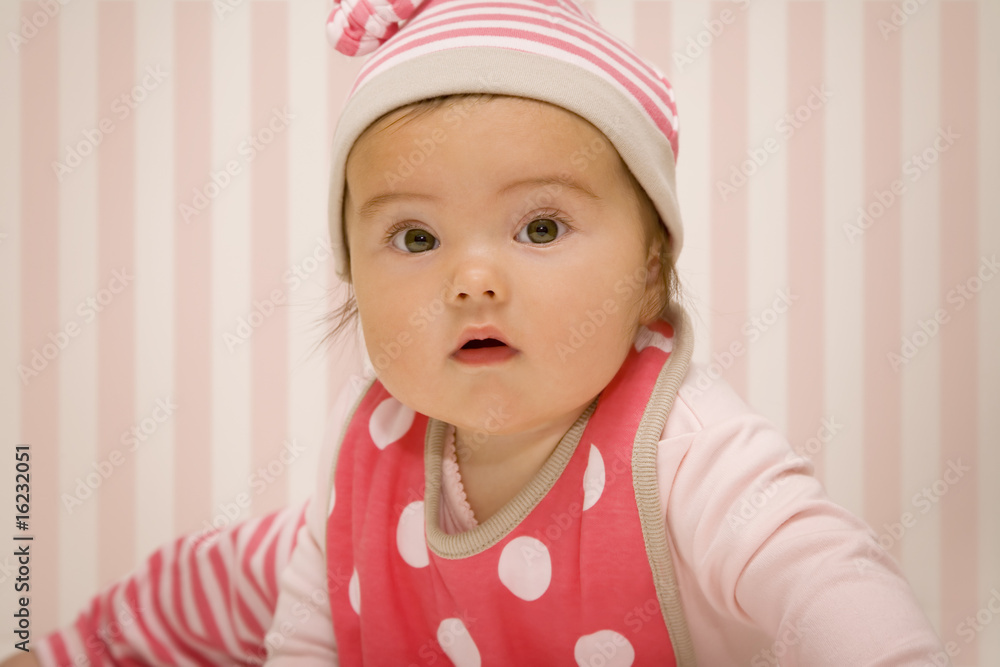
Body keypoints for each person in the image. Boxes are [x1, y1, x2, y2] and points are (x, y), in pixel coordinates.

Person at [13, 0, 946, 664]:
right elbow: (311, 637)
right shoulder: (367, 441)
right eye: (414, 237)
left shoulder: (688, 451)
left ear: (653, 265)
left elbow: (827, 582)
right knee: (220, 576)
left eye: (540, 227)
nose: (471, 278)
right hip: (318, 563)